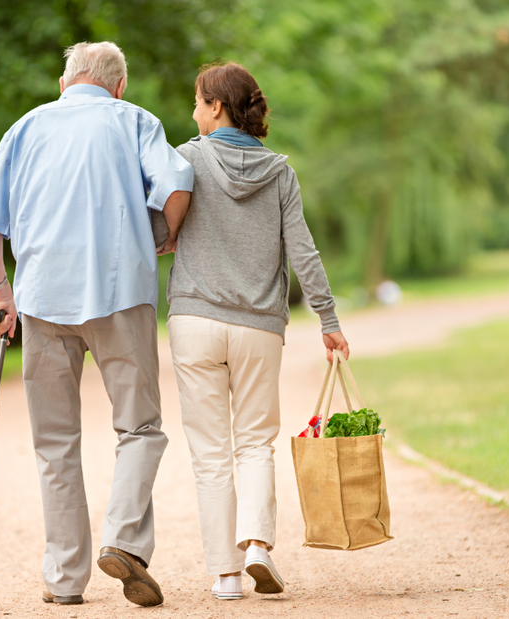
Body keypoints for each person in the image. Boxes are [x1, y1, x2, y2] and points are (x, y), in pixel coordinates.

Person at [0, 41, 192, 607]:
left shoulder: (25, 128)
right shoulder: (135, 121)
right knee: (140, 428)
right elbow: (178, 185)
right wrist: (161, 238)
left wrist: (2, 293)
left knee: (54, 442)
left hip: (43, 300)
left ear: (65, 81)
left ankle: (65, 580)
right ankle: (123, 540)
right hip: (120, 294)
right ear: (118, 85)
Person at [166, 61, 349, 600]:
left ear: (217, 107)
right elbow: (304, 253)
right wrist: (328, 320)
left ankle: (224, 576)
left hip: (195, 320)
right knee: (253, 444)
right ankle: (258, 547)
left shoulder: (187, 159)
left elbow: (160, 229)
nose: (194, 111)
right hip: (258, 328)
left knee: (210, 451)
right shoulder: (281, 172)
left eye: (198, 102)